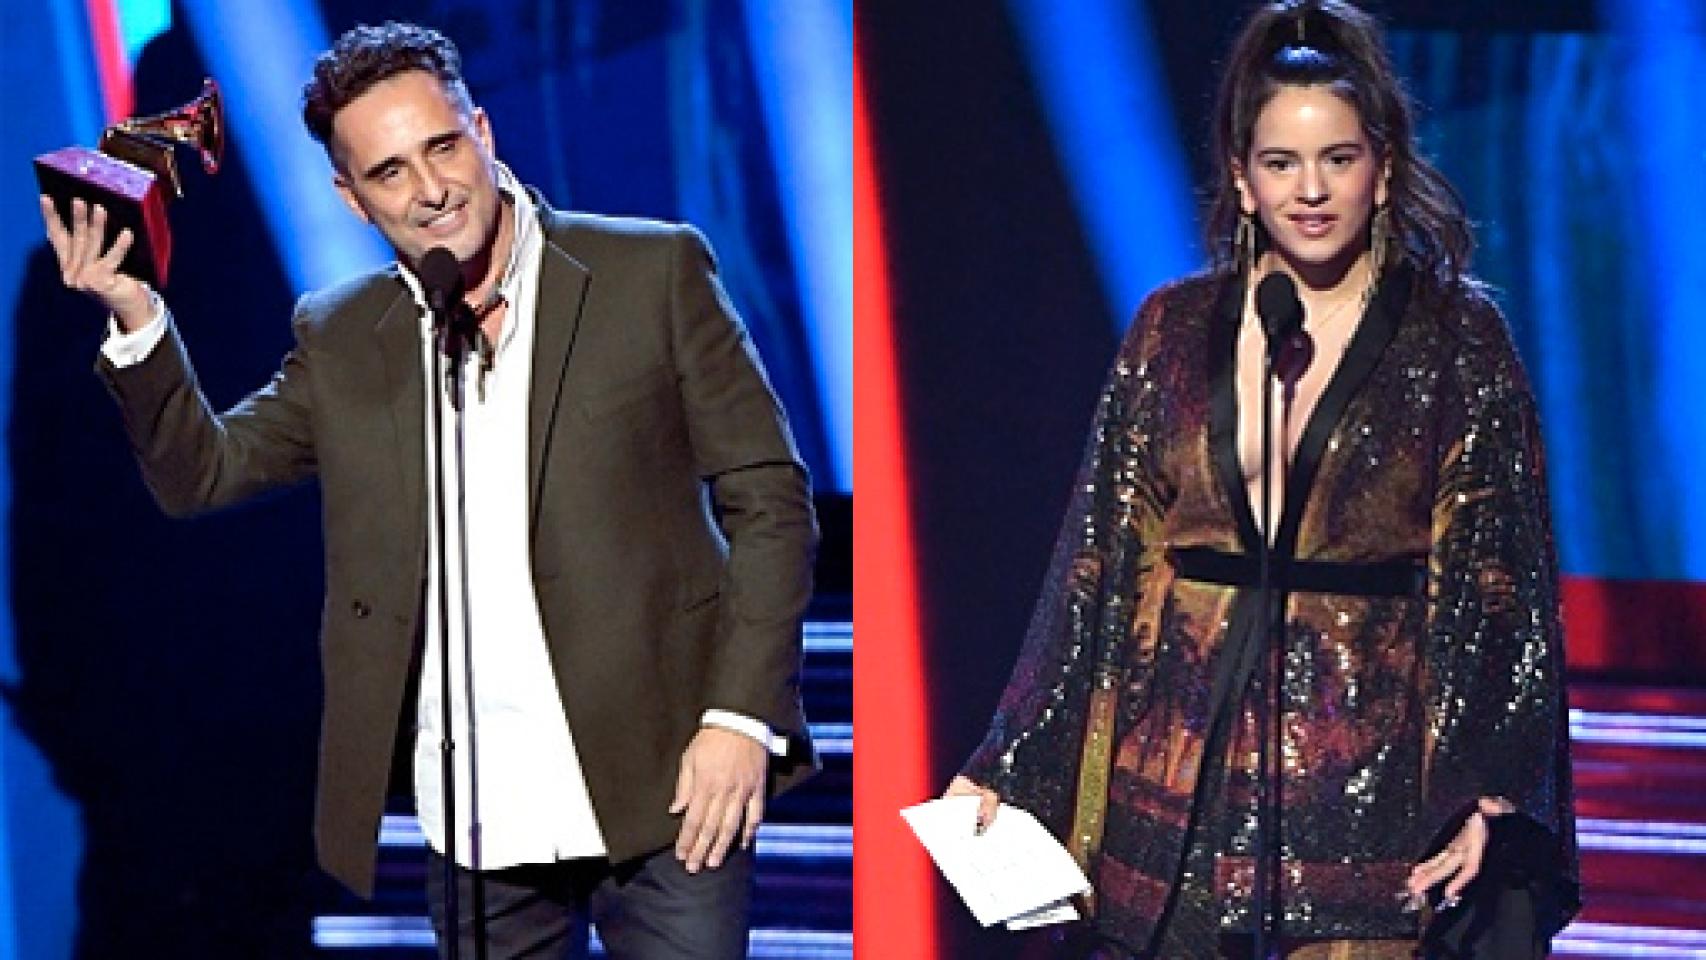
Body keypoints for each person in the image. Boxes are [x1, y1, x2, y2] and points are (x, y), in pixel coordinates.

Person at [40, 21, 816, 960]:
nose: (432, 190)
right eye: (391, 172)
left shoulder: (648, 272)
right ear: (353, 198)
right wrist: (139, 319)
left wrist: (738, 720)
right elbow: (202, 473)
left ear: (483, 131)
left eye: (442, 147)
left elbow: (770, 499)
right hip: (479, 821)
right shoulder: (344, 335)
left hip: (669, 792)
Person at [946, 2, 1577, 957]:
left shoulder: (1457, 342)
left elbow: (1498, 584)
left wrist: (1483, 785)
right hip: (1171, 798)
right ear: (1243, 182)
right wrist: (1017, 755)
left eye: (1338, 159)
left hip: (1364, 807)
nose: (1310, 190)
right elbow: (1100, 561)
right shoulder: (1172, 329)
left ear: (1385, 170)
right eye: (1281, 163)